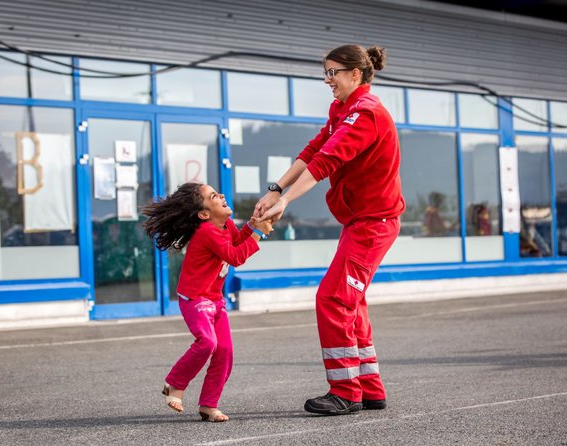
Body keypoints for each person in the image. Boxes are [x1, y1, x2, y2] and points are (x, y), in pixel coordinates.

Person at [255, 44, 405, 415]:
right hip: (360, 223)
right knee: (352, 303)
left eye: (333, 73)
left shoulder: (366, 114)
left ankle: (345, 392)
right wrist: (275, 189)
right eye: (325, 73)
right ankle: (369, 388)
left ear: (356, 74)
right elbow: (314, 149)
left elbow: (326, 161)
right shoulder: (343, 109)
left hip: (373, 224)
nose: (327, 80)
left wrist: (286, 202)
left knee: (333, 299)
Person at [142, 182, 273, 422]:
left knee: (225, 351)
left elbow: (236, 242)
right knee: (207, 343)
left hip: (214, 299)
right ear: (204, 214)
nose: (221, 195)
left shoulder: (224, 225)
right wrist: (259, 233)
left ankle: (208, 405)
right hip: (195, 299)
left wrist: (253, 225)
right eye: (214, 196)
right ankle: (174, 384)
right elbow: (235, 257)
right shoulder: (207, 231)